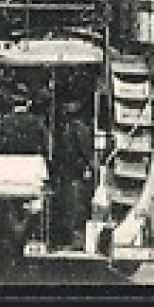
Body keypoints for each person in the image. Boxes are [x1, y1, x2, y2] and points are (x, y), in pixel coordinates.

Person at [51, 95, 97, 247]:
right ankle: (73, 239)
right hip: (72, 173)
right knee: (73, 206)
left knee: (73, 206)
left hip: (72, 173)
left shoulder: (74, 128)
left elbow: (84, 152)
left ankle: (74, 240)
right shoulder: (77, 127)